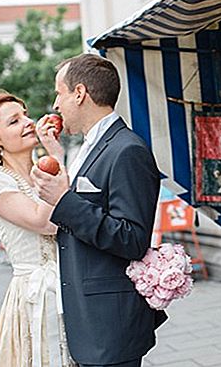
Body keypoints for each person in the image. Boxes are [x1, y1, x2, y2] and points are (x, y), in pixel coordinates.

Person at [30, 53, 167, 367]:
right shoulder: (91, 146)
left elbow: (132, 238)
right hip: (91, 321)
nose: (55, 104)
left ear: (79, 94)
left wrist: (63, 201)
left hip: (110, 323)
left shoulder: (127, 150)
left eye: (59, 93)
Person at [0, 92, 76, 366]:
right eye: (14, 121)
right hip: (36, 296)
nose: (28, 122)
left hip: (72, 284)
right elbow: (46, 223)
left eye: (26, 115)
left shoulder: (41, 172)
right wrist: (56, 156)